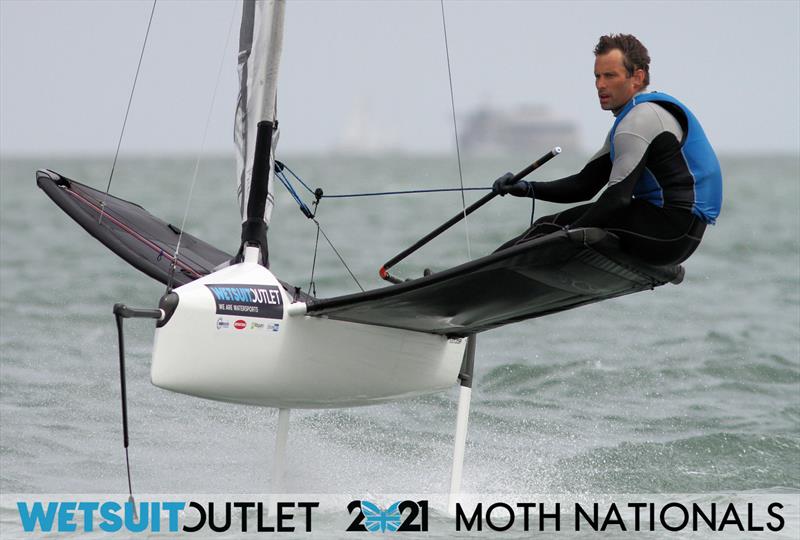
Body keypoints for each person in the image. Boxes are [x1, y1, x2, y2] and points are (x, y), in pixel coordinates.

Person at [493, 34, 722, 266]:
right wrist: (525, 187)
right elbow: (585, 185)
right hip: (682, 237)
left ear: (637, 77)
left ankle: (474, 283)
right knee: (554, 228)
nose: (600, 85)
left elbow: (617, 200)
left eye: (610, 76)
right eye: (597, 76)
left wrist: (566, 235)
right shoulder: (638, 117)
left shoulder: (638, 121)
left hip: (666, 231)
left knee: (546, 229)